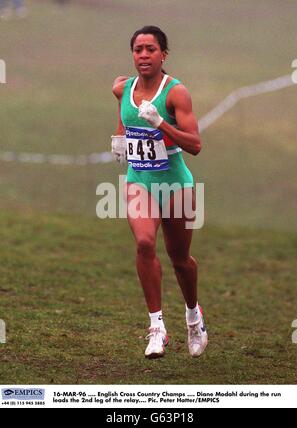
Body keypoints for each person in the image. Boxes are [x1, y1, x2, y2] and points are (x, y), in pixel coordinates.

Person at [112, 26, 208, 359]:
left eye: (150, 49)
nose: (143, 55)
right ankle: (157, 328)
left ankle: (194, 317)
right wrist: (120, 136)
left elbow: (195, 144)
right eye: (138, 50)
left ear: (163, 54)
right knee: (143, 243)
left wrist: (161, 124)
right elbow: (124, 112)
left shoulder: (175, 93)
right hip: (140, 179)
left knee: (180, 260)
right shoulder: (122, 88)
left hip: (175, 183)